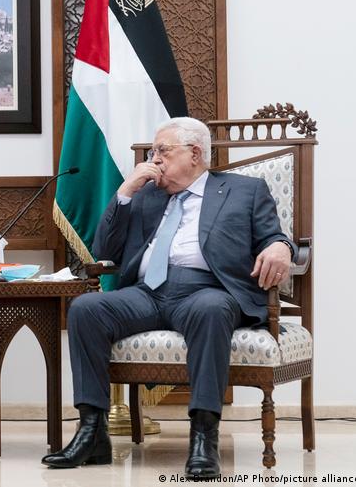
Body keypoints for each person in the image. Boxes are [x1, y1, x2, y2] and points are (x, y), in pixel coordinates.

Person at [42, 117, 294, 480]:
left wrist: (281, 247)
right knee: (86, 308)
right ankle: (92, 432)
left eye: (162, 151)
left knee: (212, 309)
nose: (154, 158)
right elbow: (103, 251)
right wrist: (125, 193)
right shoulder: (146, 194)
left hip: (205, 291)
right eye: (152, 151)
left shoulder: (244, 190)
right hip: (147, 293)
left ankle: (204, 437)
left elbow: (273, 235)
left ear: (194, 153)